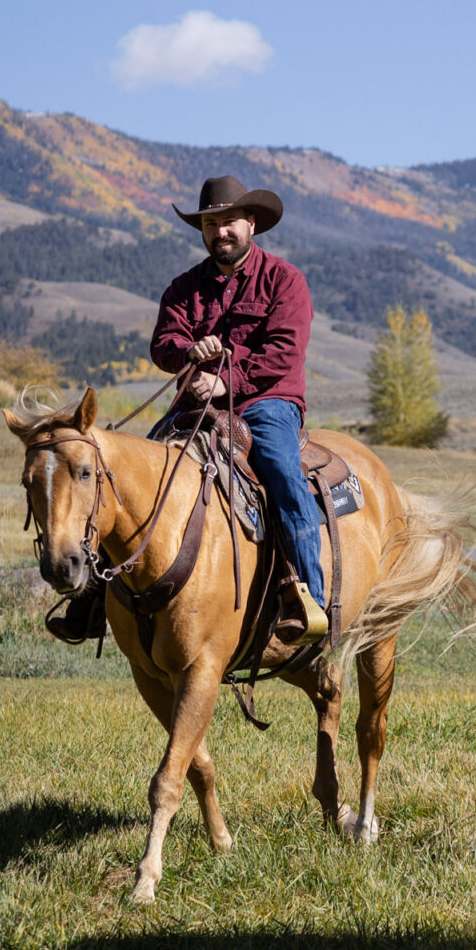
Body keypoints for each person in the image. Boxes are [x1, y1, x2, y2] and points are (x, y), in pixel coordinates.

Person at [149, 174, 329, 640]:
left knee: (280, 470)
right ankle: (97, 600)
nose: (220, 231)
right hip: (197, 402)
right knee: (139, 468)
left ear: (251, 224)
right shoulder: (184, 288)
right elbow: (163, 344)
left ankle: (309, 595)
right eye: (211, 223)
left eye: (230, 221)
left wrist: (223, 380)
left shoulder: (284, 280)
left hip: (267, 402)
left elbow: (283, 353)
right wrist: (189, 354)